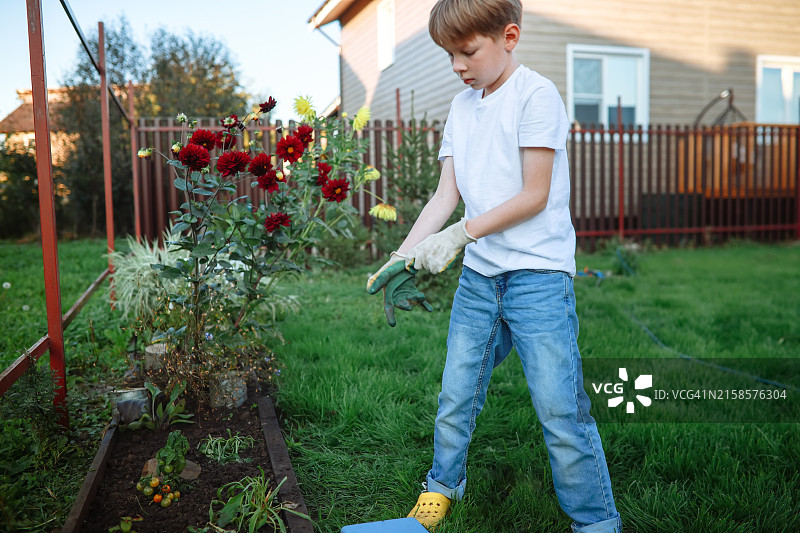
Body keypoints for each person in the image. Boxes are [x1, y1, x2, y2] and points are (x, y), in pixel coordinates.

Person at [366, 0, 622, 531]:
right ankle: (440, 489)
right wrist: (402, 255)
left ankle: (596, 521)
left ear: (509, 36)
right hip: (480, 279)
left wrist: (462, 234)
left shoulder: (536, 95)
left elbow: (533, 195)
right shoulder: (462, 107)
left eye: (467, 51)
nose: (457, 66)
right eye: (449, 55)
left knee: (560, 408)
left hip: (539, 278)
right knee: (456, 393)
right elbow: (446, 195)